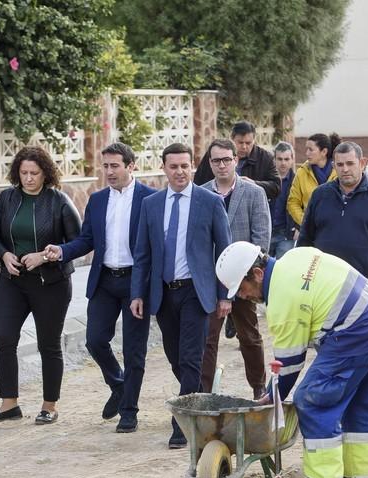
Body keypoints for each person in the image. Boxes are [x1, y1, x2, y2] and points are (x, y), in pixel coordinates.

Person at [215, 242, 368, 478]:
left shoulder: (282, 298)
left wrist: (270, 397)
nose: (243, 297)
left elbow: (288, 365)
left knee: (312, 399)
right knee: (359, 404)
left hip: (355, 329)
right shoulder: (295, 257)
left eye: (242, 289)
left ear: (257, 274)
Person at [43, 142, 155, 433]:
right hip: (104, 280)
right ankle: (118, 385)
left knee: (134, 350)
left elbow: (155, 248)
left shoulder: (149, 199)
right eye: (105, 166)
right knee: (94, 340)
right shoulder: (97, 199)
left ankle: (129, 411)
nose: (109, 171)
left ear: (131, 166)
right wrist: (63, 250)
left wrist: (146, 288)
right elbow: (87, 240)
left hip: (135, 282)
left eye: (115, 166)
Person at [130, 143, 232, 448]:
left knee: (190, 359)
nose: (179, 172)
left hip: (196, 292)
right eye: (173, 166)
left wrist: (225, 295)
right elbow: (142, 254)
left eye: (185, 166)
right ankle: (200, 402)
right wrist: (137, 293)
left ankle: (182, 425)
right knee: (176, 358)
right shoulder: (151, 204)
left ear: (192, 167)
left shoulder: (209, 202)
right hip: (163, 293)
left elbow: (224, 251)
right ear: (164, 168)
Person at [0, 146, 81, 425]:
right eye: (23, 173)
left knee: (48, 345)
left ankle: (49, 405)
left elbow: (78, 243)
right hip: (12, 281)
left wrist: (45, 256)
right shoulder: (7, 198)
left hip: (50, 283)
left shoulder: (59, 201)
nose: (28, 178)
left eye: (34, 173)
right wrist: (3, 254)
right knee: (4, 339)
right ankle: (8, 404)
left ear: (45, 173)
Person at [199, 139, 271, 398]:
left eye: (226, 159)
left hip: (244, 280)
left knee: (249, 336)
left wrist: (247, 275)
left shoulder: (253, 193)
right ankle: (204, 393)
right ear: (210, 163)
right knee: (208, 339)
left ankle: (259, 387)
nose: (222, 165)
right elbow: (198, 241)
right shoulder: (202, 193)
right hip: (210, 279)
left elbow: (261, 238)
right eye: (216, 160)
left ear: (235, 161)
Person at [297, 142, 368, 300]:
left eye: (350, 163)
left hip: (365, 286)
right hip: (324, 285)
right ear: (334, 166)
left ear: (362, 163)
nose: (345, 169)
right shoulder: (320, 195)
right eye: (340, 164)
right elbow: (305, 239)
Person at [193, 120, 280, 201]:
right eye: (240, 142)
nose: (244, 147)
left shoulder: (265, 158)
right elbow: (198, 183)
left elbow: (276, 187)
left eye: (248, 143)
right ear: (232, 139)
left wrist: (254, 183)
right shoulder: (215, 154)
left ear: (254, 140)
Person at [287, 132, 340, 228]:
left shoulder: (339, 172)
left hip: (335, 228)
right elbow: (293, 202)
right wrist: (305, 221)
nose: (307, 153)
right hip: (310, 230)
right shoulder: (301, 172)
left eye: (311, 149)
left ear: (324, 152)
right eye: (307, 149)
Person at [269, 141, 296, 258]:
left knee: (282, 268)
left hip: (286, 233)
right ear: (274, 159)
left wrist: (299, 228)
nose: (283, 163)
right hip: (267, 231)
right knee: (261, 270)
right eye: (279, 159)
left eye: (286, 159)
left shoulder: (297, 181)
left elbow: (303, 205)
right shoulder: (266, 179)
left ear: (292, 160)